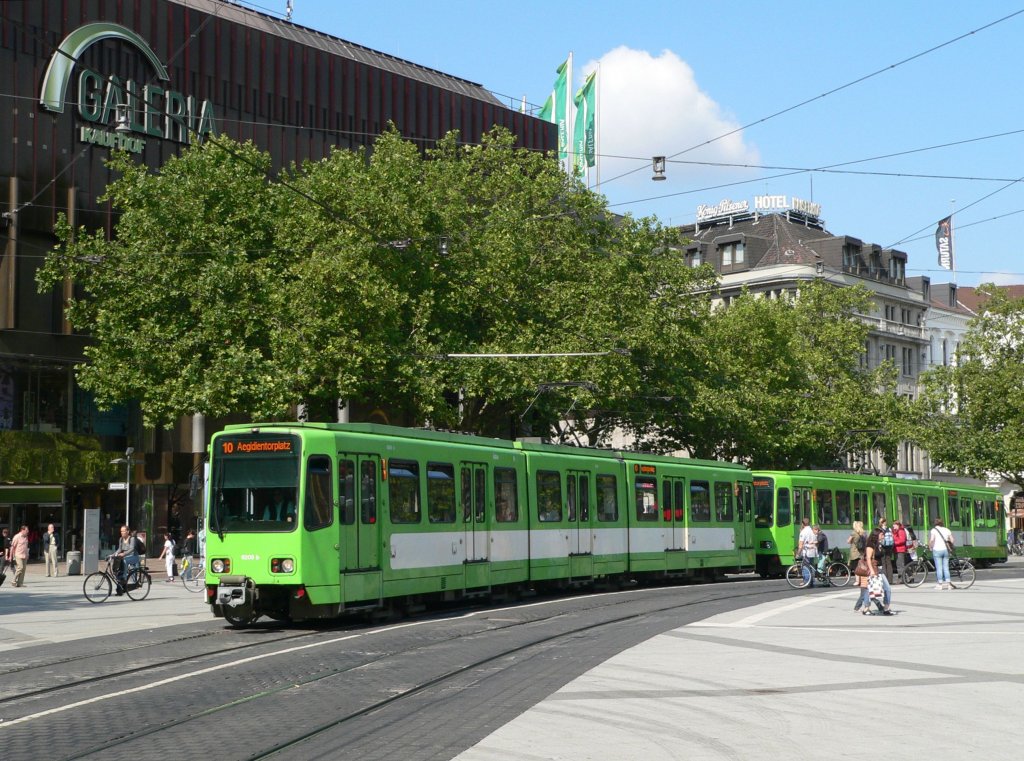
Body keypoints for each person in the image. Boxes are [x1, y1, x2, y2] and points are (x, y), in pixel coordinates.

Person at [110, 525, 139, 595]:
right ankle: (119, 590)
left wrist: (124, 554)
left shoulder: (131, 539)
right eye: (121, 531)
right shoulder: (121, 539)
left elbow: (132, 549)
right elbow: (119, 549)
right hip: (125, 556)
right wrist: (113, 555)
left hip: (134, 556)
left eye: (123, 531)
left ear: (128, 531)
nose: (122, 532)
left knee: (124, 561)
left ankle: (124, 578)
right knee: (117, 570)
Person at [929, 517, 954, 590]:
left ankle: (940, 584)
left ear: (935, 523)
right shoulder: (947, 529)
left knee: (939, 568)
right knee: (946, 568)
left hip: (937, 550)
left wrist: (930, 546)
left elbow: (932, 540)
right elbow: (952, 540)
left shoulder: (934, 530)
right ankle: (949, 584)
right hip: (945, 550)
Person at [796, 518, 818, 587]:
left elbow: (801, 545)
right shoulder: (812, 530)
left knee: (805, 567)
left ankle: (806, 581)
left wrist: (798, 553)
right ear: (809, 523)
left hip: (806, 552)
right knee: (811, 566)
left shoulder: (803, 532)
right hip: (813, 551)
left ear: (802, 524)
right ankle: (811, 581)